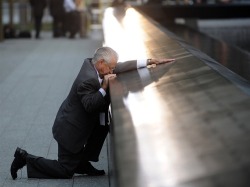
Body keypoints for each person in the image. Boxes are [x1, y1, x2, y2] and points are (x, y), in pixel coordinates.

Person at [10, 47, 175, 179]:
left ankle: (81, 162)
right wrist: (104, 87)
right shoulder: (87, 79)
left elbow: (120, 66)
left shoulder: (96, 64)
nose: (112, 70)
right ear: (101, 62)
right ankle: (24, 158)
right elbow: (90, 105)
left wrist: (148, 61)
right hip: (69, 129)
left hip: (76, 124)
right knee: (65, 171)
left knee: (102, 126)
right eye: (110, 67)